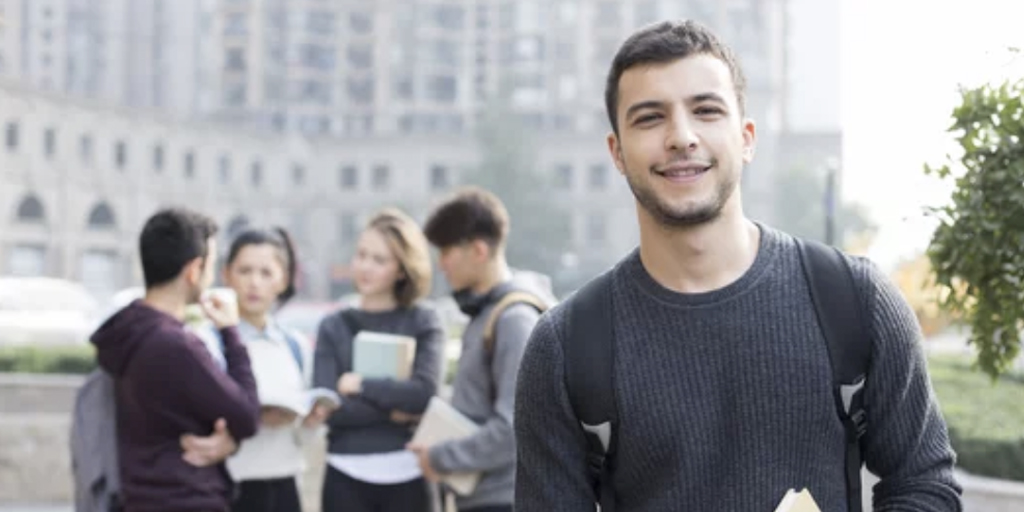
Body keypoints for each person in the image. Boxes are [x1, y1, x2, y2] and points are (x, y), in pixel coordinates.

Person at [513, 19, 964, 511]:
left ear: (747, 137)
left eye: (706, 110)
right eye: (649, 118)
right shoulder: (564, 346)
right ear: (616, 152)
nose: (681, 137)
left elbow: (925, 483)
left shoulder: (856, 299)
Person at [90, 207, 261, 512]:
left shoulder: (126, 330)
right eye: (210, 266)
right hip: (185, 497)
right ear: (193, 270)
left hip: (139, 495)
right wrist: (230, 332)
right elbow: (246, 415)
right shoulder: (176, 345)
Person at [410, 187, 555, 512]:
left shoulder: (514, 318)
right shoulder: (487, 313)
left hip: (504, 500)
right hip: (483, 496)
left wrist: (440, 457)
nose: (441, 264)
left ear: (478, 250)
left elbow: (514, 427)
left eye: (446, 251)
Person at [312, 208, 445, 512]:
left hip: (410, 476)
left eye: (379, 260)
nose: (365, 267)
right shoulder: (333, 325)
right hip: (345, 476)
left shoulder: (425, 320)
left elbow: (424, 395)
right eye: (361, 255)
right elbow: (329, 408)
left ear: (401, 269)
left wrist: (360, 385)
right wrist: (400, 410)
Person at [214, 227, 332, 512]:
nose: (254, 283)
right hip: (230, 486)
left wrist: (311, 421)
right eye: (245, 271)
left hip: (285, 485)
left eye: (266, 273)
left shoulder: (294, 345)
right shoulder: (212, 341)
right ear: (227, 274)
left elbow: (303, 438)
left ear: (284, 279)